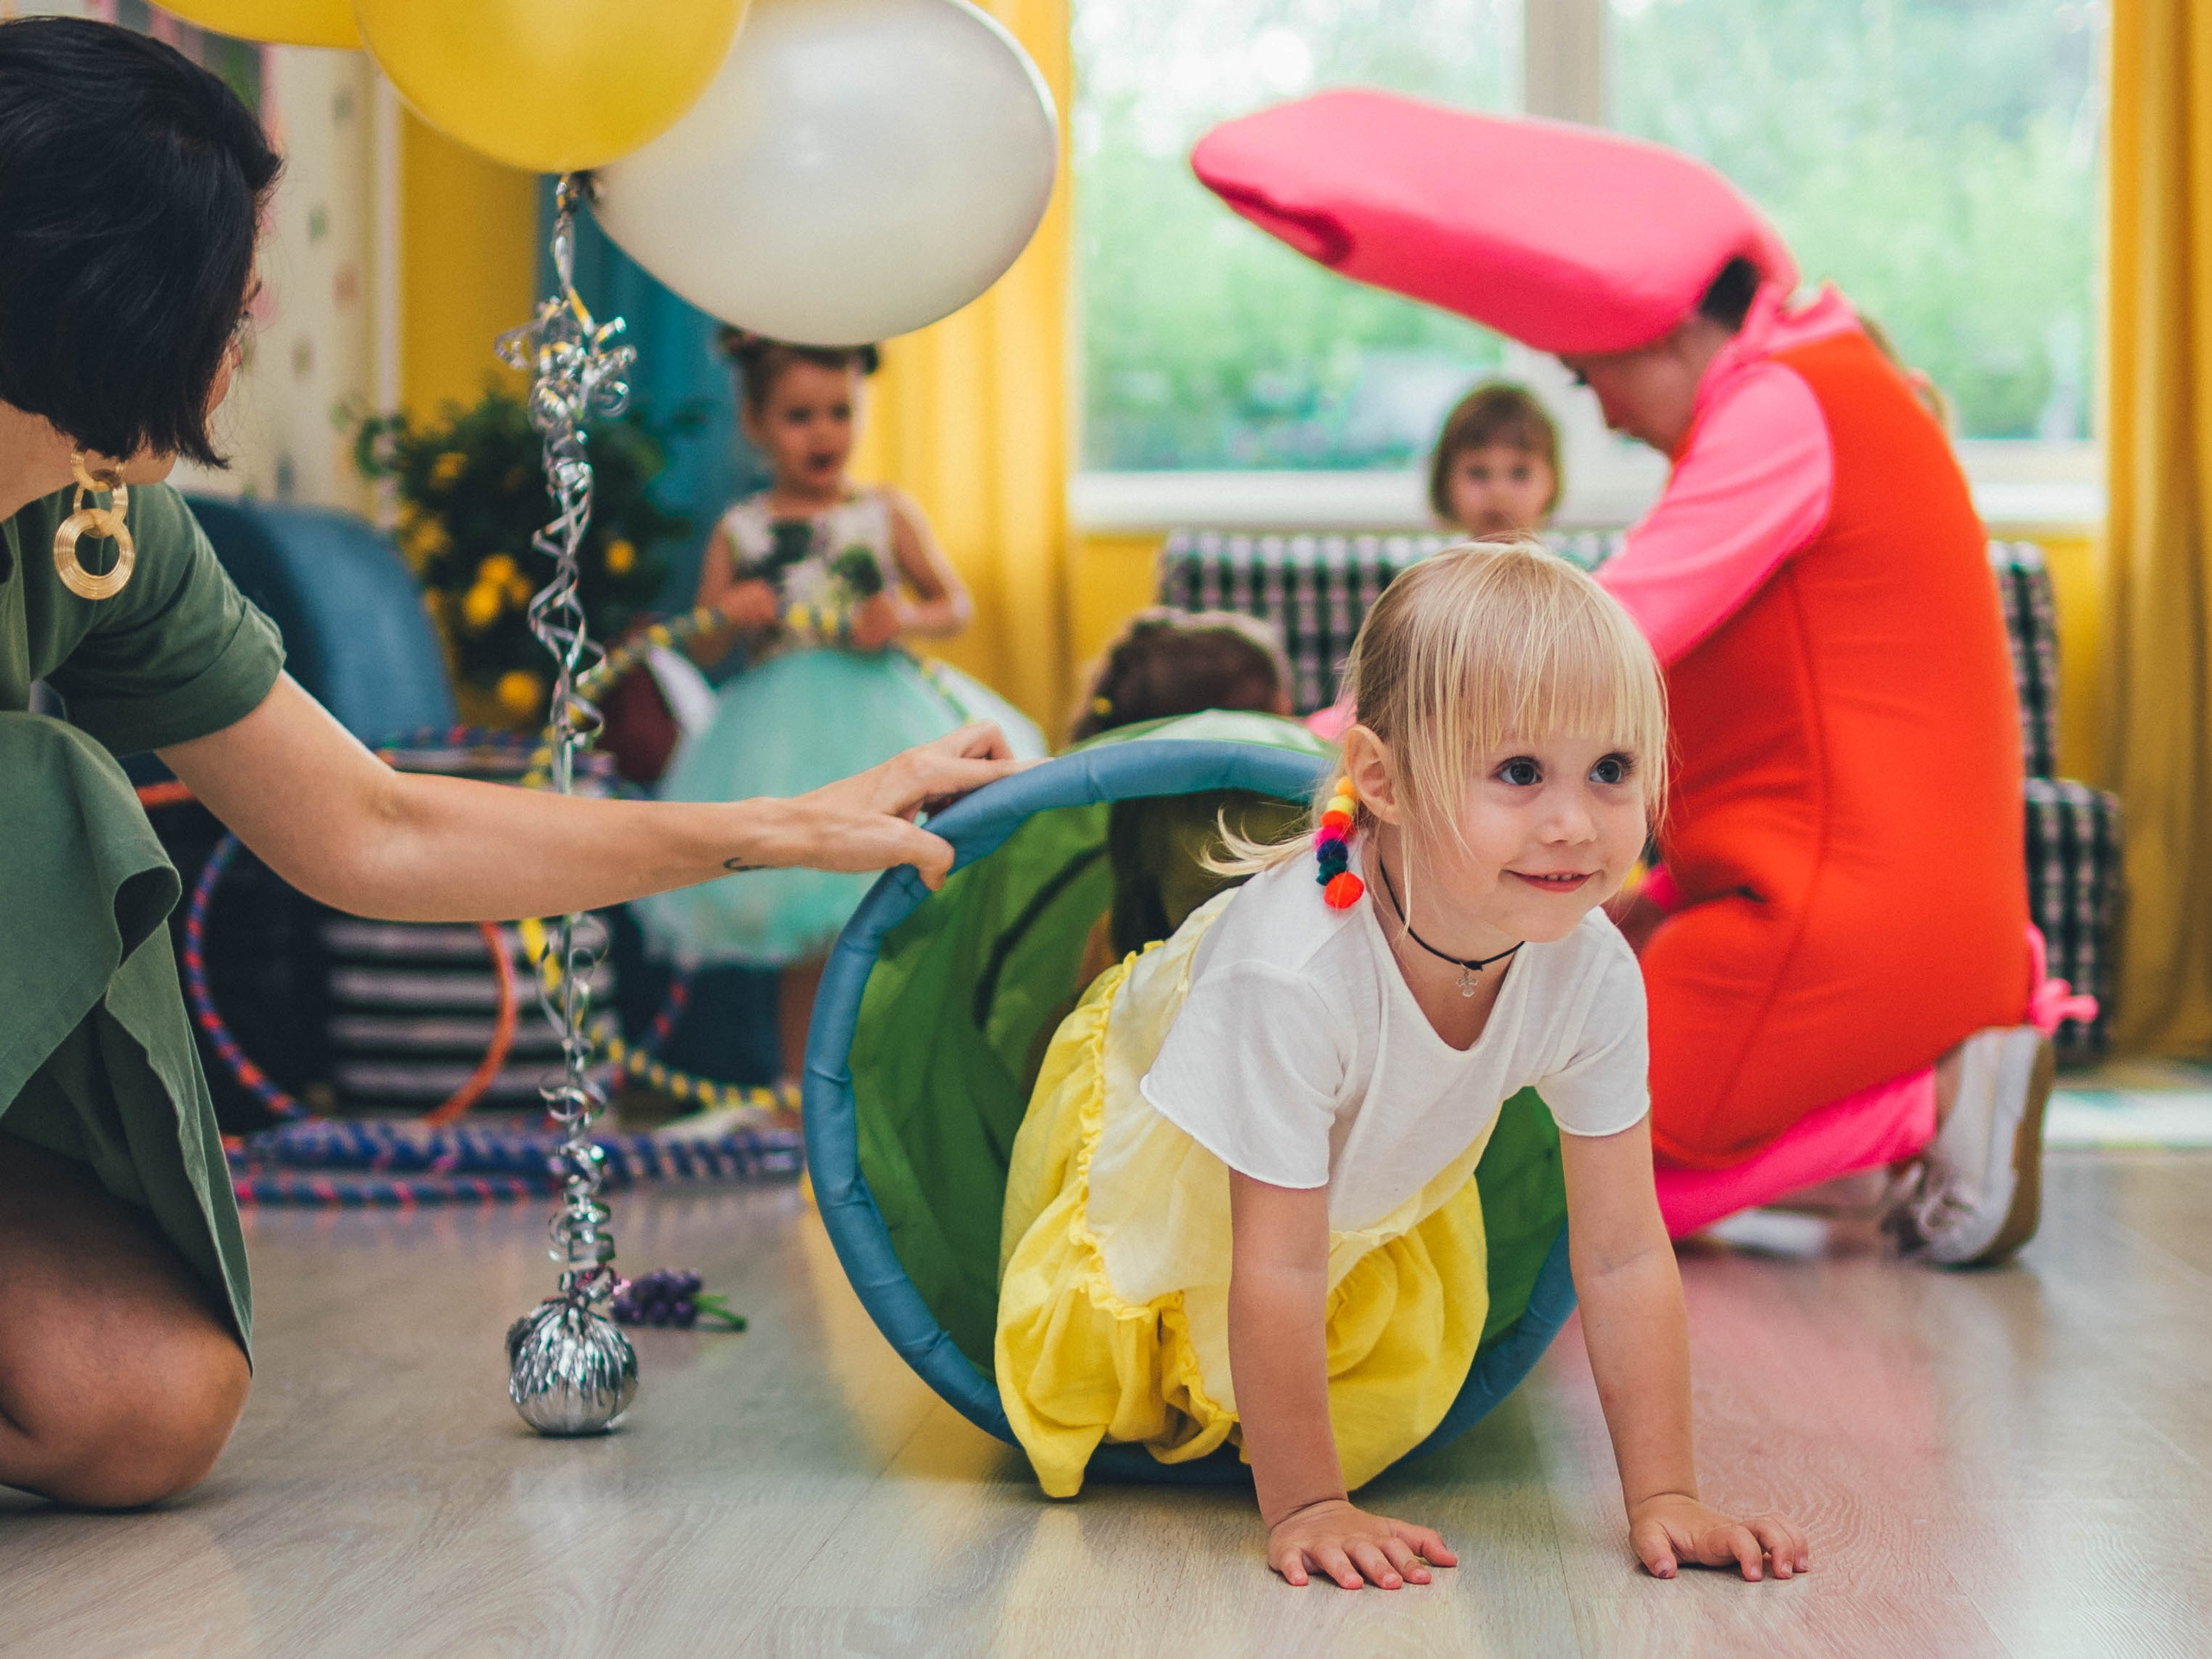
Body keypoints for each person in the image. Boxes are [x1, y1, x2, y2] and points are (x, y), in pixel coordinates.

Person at [0, 17, 1021, 1510]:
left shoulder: (103, 524)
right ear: (113, 286)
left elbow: (374, 825)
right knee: (46, 791)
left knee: (148, 1405)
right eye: (234, 266)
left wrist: (782, 824)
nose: (257, 305)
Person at [1193, 92, 2065, 1267]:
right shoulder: (1826, 379)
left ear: (1656, 331)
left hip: (1835, 927)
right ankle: (1896, 1124)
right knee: (1555, 1072)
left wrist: (1350, 732)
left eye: (1585, 369)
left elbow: (1601, 631)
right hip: (1851, 905)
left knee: (1555, 1171)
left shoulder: (1786, 406)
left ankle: (1929, 1103)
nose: (1597, 406)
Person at [997, 543, 1811, 1589]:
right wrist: (1307, 1505)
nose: (1572, 822)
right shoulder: (1291, 975)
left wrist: (1665, 1496)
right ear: (1380, 780)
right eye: (1518, 772)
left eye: (1609, 770)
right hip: (1174, 1140)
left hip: (1359, 1168)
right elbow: (1277, 1263)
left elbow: (1618, 1253)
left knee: (1368, 1350)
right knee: (1140, 1366)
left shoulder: (1590, 966)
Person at [631, 329, 1046, 1096]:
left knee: (904, 906)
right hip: (779, 730)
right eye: (798, 416)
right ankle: (802, 1096)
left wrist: (903, 620)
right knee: (808, 932)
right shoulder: (742, 526)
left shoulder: (885, 513)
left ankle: (899, 1092)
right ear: (756, 424)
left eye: (838, 412)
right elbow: (700, 639)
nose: (823, 432)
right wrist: (731, 612)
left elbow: (952, 601)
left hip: (880, 714)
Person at [1427, 381, 1560, 538]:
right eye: (1478, 473)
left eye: (1519, 473)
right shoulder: (1435, 564)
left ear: (1552, 481)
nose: (1498, 493)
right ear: (1445, 481)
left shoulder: (1573, 564)